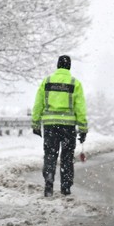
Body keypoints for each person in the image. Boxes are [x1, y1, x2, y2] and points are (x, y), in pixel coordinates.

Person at [31, 55, 88, 197]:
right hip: (68, 127)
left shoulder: (47, 81)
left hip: (50, 126)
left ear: (57, 65)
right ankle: (66, 187)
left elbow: (38, 103)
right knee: (67, 157)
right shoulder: (75, 83)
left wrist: (36, 123)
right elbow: (80, 108)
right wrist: (82, 129)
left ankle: (49, 183)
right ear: (69, 66)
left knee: (50, 154)